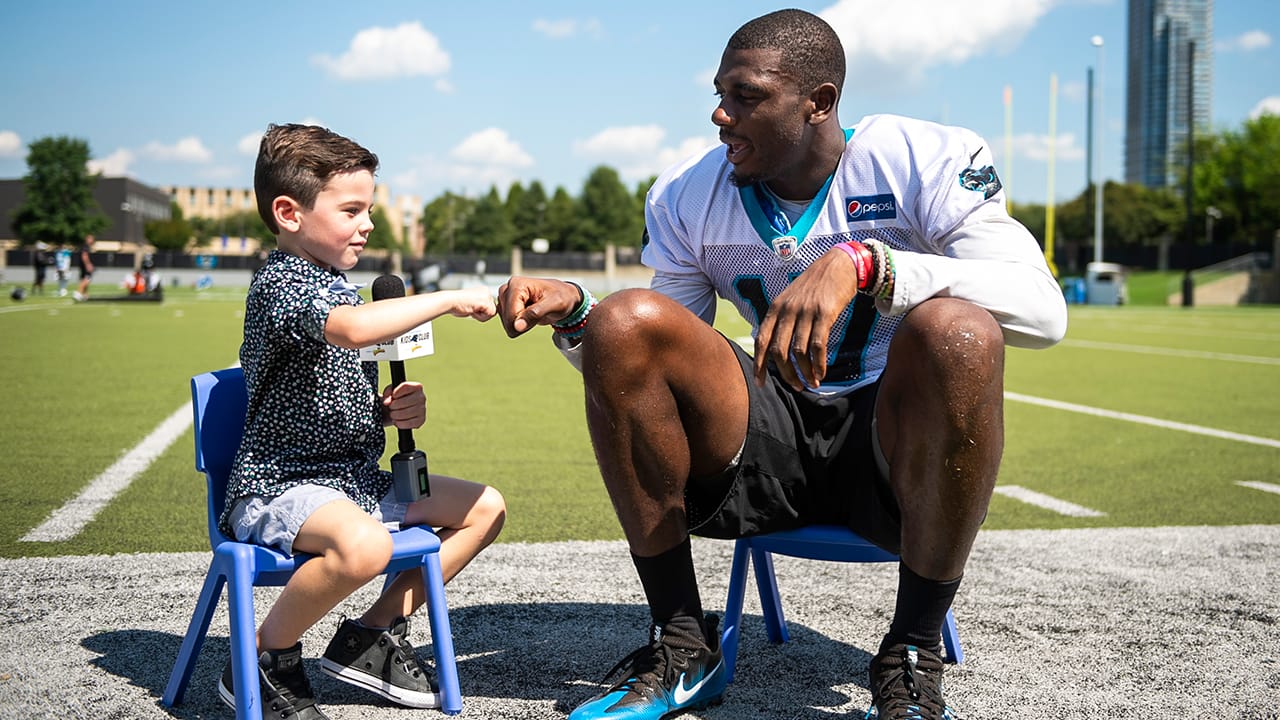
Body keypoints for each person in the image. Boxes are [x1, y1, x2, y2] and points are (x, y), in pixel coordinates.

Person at [496, 10, 1067, 720]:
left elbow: (1043, 312)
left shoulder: (923, 158)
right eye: (719, 92)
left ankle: (912, 651)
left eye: (746, 96)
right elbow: (655, 360)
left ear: (819, 102)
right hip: (767, 438)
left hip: (896, 444)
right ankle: (680, 641)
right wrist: (584, 318)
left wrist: (867, 263)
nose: (719, 113)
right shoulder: (687, 191)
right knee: (624, 315)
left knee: (959, 329)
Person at [220, 123, 507, 720]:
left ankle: (370, 637)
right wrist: (450, 299)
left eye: (369, 208)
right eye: (352, 209)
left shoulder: (336, 286)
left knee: (486, 507)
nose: (367, 222)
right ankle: (261, 657)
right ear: (288, 212)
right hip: (280, 487)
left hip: (353, 484)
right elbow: (350, 330)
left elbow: (333, 381)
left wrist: (387, 411)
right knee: (367, 545)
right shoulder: (281, 282)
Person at [73, 234, 95, 301]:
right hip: (85, 266)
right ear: (87, 239)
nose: (92, 240)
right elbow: (84, 256)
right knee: (87, 279)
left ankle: (85, 295)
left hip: (83, 266)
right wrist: (88, 264)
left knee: (84, 279)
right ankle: (78, 293)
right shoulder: (86, 247)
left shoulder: (85, 246)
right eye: (91, 239)